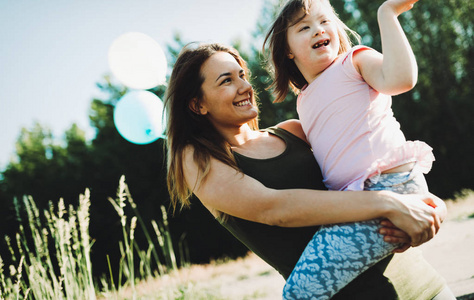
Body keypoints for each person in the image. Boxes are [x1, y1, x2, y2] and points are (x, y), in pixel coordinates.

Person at [164, 43, 451, 299]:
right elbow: (274, 209)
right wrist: (391, 204)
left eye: (242, 75)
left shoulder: (293, 131)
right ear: (197, 104)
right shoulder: (198, 160)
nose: (244, 86)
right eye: (227, 80)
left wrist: (425, 203)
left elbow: (372, 165)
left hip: (423, 286)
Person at [263, 0, 453, 298]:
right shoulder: (304, 101)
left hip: (389, 186)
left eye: (324, 21)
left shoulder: (354, 61)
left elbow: (401, 78)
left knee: (298, 293)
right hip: (359, 203)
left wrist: (387, 14)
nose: (318, 30)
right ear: (287, 50)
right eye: (304, 27)